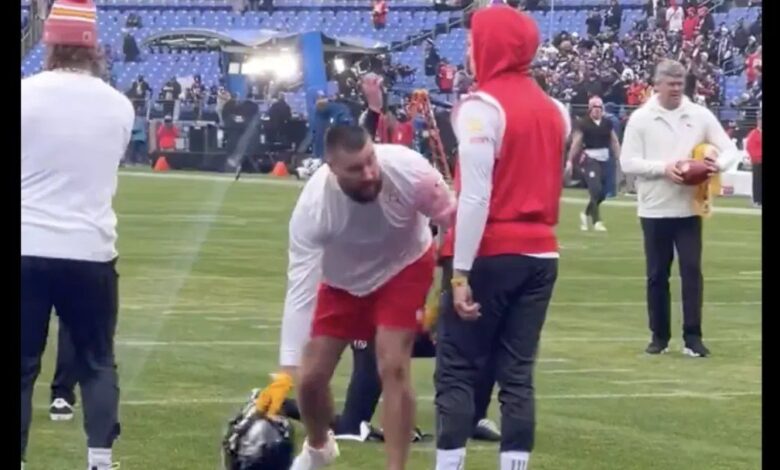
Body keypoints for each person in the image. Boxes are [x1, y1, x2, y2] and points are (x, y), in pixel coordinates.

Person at [255, 125, 456, 470]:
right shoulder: (314, 210)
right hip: (342, 282)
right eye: (355, 169)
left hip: (403, 265)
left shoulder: (410, 170)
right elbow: (300, 290)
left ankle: (396, 467)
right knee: (311, 378)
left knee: (392, 363)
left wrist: (457, 281)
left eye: (370, 160)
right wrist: (286, 370)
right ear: (332, 169)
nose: (368, 173)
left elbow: (454, 220)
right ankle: (319, 447)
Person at [434, 7, 570, 470]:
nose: (470, 51)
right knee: (517, 373)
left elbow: (475, 196)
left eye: (474, 42)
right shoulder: (556, 110)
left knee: (457, 368)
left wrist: (460, 273)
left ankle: (448, 464)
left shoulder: (481, 106)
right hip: (541, 250)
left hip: (491, 248)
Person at [21, 0, 135, 468]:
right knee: (97, 362)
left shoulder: (25, 94)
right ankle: (99, 458)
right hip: (90, 248)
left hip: (27, 241)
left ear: (49, 44)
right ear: (94, 49)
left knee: (22, 369)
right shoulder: (120, 106)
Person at [619, 59, 741, 358]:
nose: (675, 89)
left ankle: (693, 336)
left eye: (679, 83)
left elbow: (730, 149)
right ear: (656, 84)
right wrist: (665, 168)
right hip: (654, 208)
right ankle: (659, 336)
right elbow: (628, 162)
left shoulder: (698, 114)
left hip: (689, 208)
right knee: (657, 274)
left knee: (691, 271)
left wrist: (715, 165)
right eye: (670, 84)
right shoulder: (641, 119)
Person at [566, 96, 622, 232]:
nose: (597, 110)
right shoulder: (583, 123)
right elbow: (576, 142)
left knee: (602, 193)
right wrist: (570, 160)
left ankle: (585, 213)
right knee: (595, 189)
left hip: (604, 157)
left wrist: (620, 157)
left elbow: (614, 141)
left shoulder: (607, 123)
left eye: (599, 107)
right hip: (589, 157)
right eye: (594, 107)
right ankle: (597, 221)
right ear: (590, 109)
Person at [745, 112, 762, 207]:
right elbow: (750, 147)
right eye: (760, 120)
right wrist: (757, 157)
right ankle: (757, 200)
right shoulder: (754, 133)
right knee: (757, 180)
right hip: (757, 161)